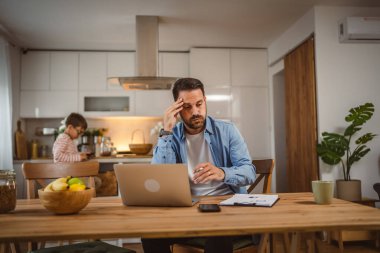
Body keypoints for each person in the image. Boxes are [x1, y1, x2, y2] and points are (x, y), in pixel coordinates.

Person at [141, 78, 256, 253]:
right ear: (177, 109)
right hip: (186, 212)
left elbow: (249, 172)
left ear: (205, 101)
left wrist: (222, 173)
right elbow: (159, 176)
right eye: (187, 107)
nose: (196, 112)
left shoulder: (227, 130)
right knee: (150, 234)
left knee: (218, 235)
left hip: (225, 209)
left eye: (199, 104)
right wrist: (166, 131)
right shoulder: (171, 136)